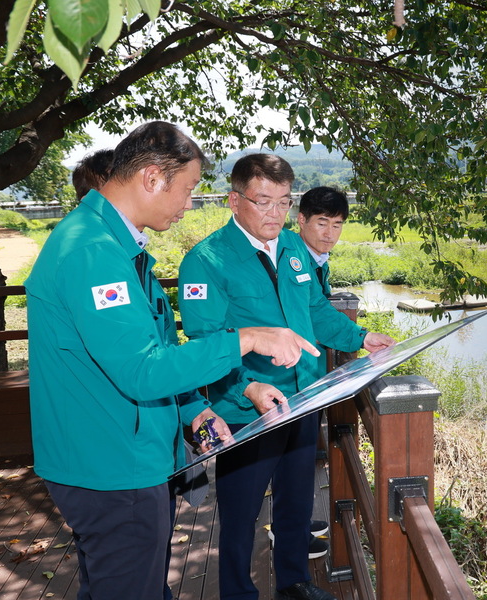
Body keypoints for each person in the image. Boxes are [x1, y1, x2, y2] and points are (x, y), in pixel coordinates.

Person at [26, 122, 319, 600]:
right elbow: (142, 370)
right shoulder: (93, 253)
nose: (188, 204)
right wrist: (243, 339)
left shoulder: (115, 247)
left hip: (124, 456)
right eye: (185, 190)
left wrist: (194, 411)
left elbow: (148, 352)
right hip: (112, 466)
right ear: (150, 178)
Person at [178, 154, 395, 600]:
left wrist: (362, 335)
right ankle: (238, 592)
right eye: (263, 202)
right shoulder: (206, 261)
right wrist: (248, 387)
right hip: (245, 412)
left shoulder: (295, 248)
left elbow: (315, 311)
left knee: (297, 500)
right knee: (241, 513)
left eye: (283, 202)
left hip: (303, 400)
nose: (274, 214)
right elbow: (206, 340)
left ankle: (294, 582)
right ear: (234, 200)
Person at [296, 186, 349, 298]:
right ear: (302, 220)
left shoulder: (320, 261)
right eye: (322, 224)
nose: (329, 234)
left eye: (336, 226)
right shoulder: (290, 260)